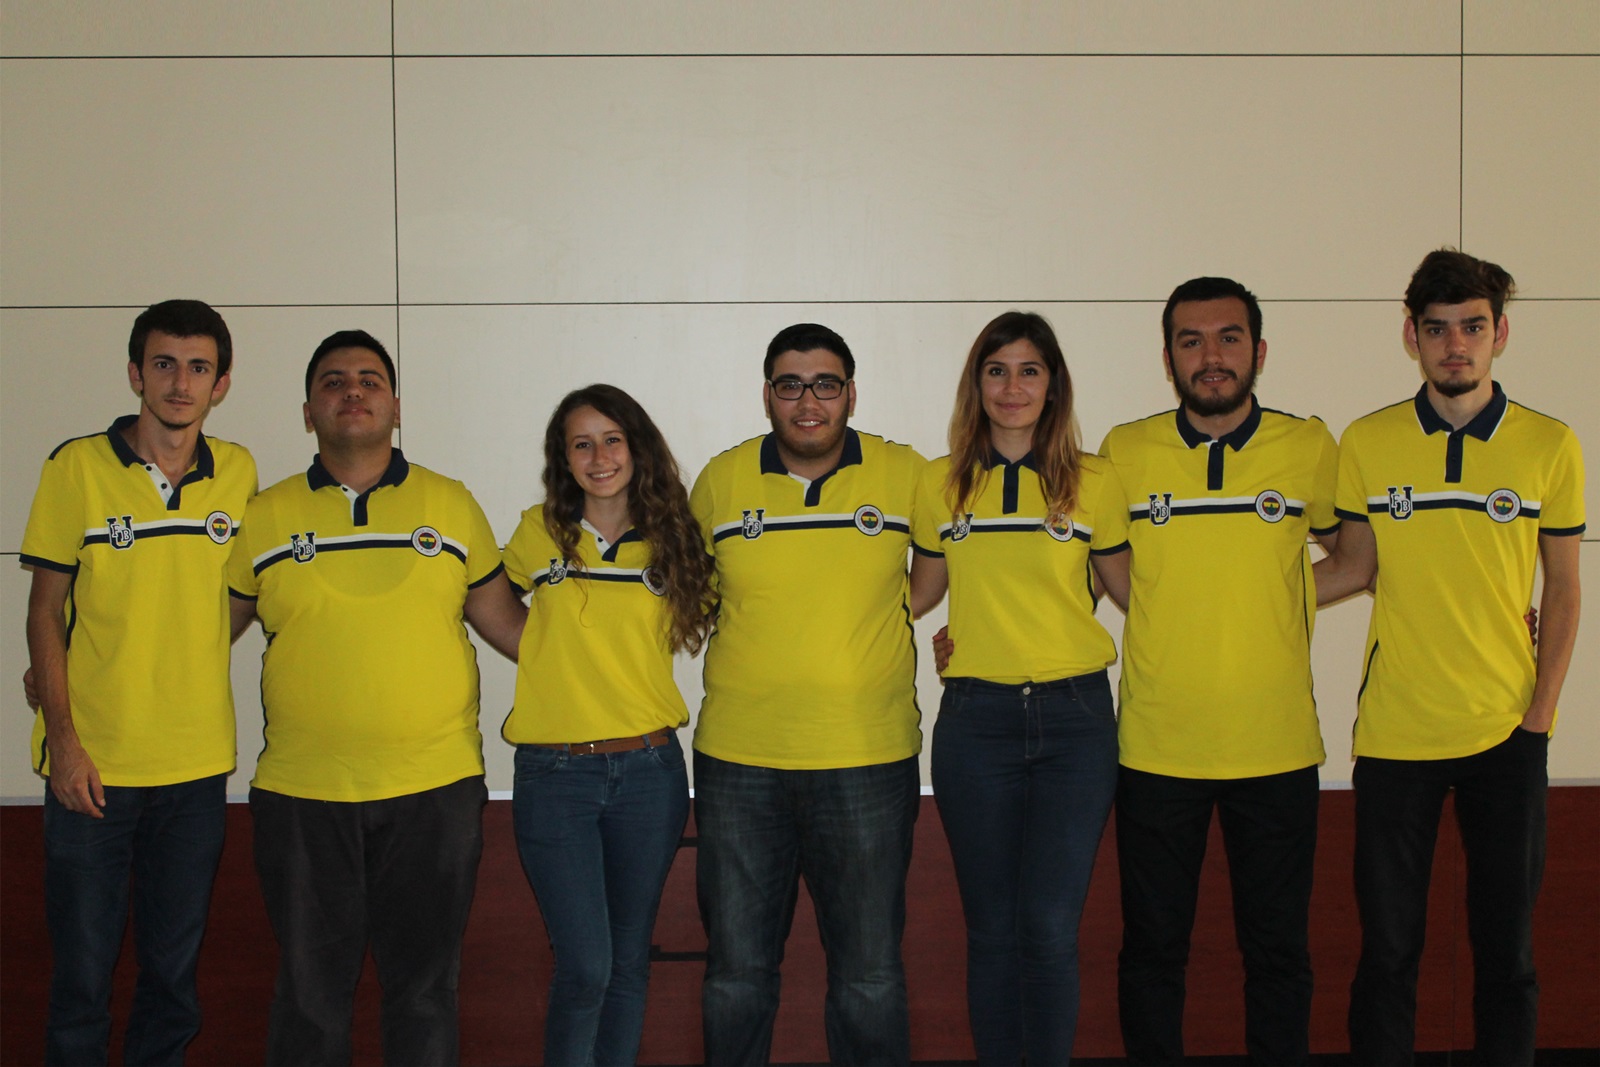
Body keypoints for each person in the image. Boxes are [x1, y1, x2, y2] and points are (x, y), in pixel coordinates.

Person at [226, 329, 525, 1066]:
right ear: (307, 412)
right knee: (309, 999)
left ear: (396, 406)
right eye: (332, 381)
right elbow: (199, 639)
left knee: (424, 994)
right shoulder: (263, 514)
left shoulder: (451, 504)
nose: (352, 390)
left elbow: (516, 631)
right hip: (302, 795)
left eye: (368, 379)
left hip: (434, 790)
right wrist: (73, 671)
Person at [1317, 250, 1584, 1066]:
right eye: (1437, 329)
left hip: (1506, 732)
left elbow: (1564, 589)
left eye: (1472, 326)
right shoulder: (1368, 440)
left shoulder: (1549, 444)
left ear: (1500, 333)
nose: (1455, 344)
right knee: (1389, 951)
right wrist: (1237, 590)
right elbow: (1352, 567)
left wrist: (1539, 715)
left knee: (1506, 953)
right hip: (1396, 735)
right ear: (1412, 337)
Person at [1102, 277, 1339, 1065]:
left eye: (1229, 337)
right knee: (1152, 951)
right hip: (1156, 746)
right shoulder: (1125, 450)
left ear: (1259, 351)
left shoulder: (1308, 446)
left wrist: (1275, 594)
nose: (1211, 356)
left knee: (1278, 953)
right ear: (1168, 357)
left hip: (1275, 745)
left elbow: (1360, 558)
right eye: (1191, 340)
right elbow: (1102, 568)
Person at [20, 301, 253, 1066]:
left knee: (172, 981)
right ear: (135, 374)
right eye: (163, 364)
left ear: (220, 384)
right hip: (92, 770)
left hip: (195, 772)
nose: (180, 382)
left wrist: (178, 645)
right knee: (82, 982)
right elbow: (45, 609)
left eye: (198, 367)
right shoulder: (76, 467)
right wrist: (64, 738)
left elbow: (243, 597)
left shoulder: (239, 472)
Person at [689, 323, 927, 1065]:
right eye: (790, 385)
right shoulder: (721, 480)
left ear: (851, 393)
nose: (808, 401)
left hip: (867, 758)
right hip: (739, 762)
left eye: (826, 383)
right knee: (736, 974)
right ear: (768, 395)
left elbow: (940, 573)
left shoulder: (906, 474)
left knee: (869, 975)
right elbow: (691, 595)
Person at [906, 311, 1128, 1064]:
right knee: (993, 929)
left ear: (1053, 384)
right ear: (976, 384)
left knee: (1050, 928)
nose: (1012, 387)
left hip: (1076, 721)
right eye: (996, 370)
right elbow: (918, 593)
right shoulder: (939, 483)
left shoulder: (1095, 480)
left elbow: (1133, 591)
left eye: (1029, 370)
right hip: (977, 722)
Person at [500, 384, 713, 1066]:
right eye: (582, 444)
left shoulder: (677, 539)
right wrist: (544, 651)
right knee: (586, 965)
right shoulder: (539, 531)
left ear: (637, 447)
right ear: (563, 458)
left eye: (612, 439)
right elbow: (483, 600)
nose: (599, 457)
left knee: (626, 963)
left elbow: (747, 611)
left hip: (650, 773)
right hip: (555, 774)